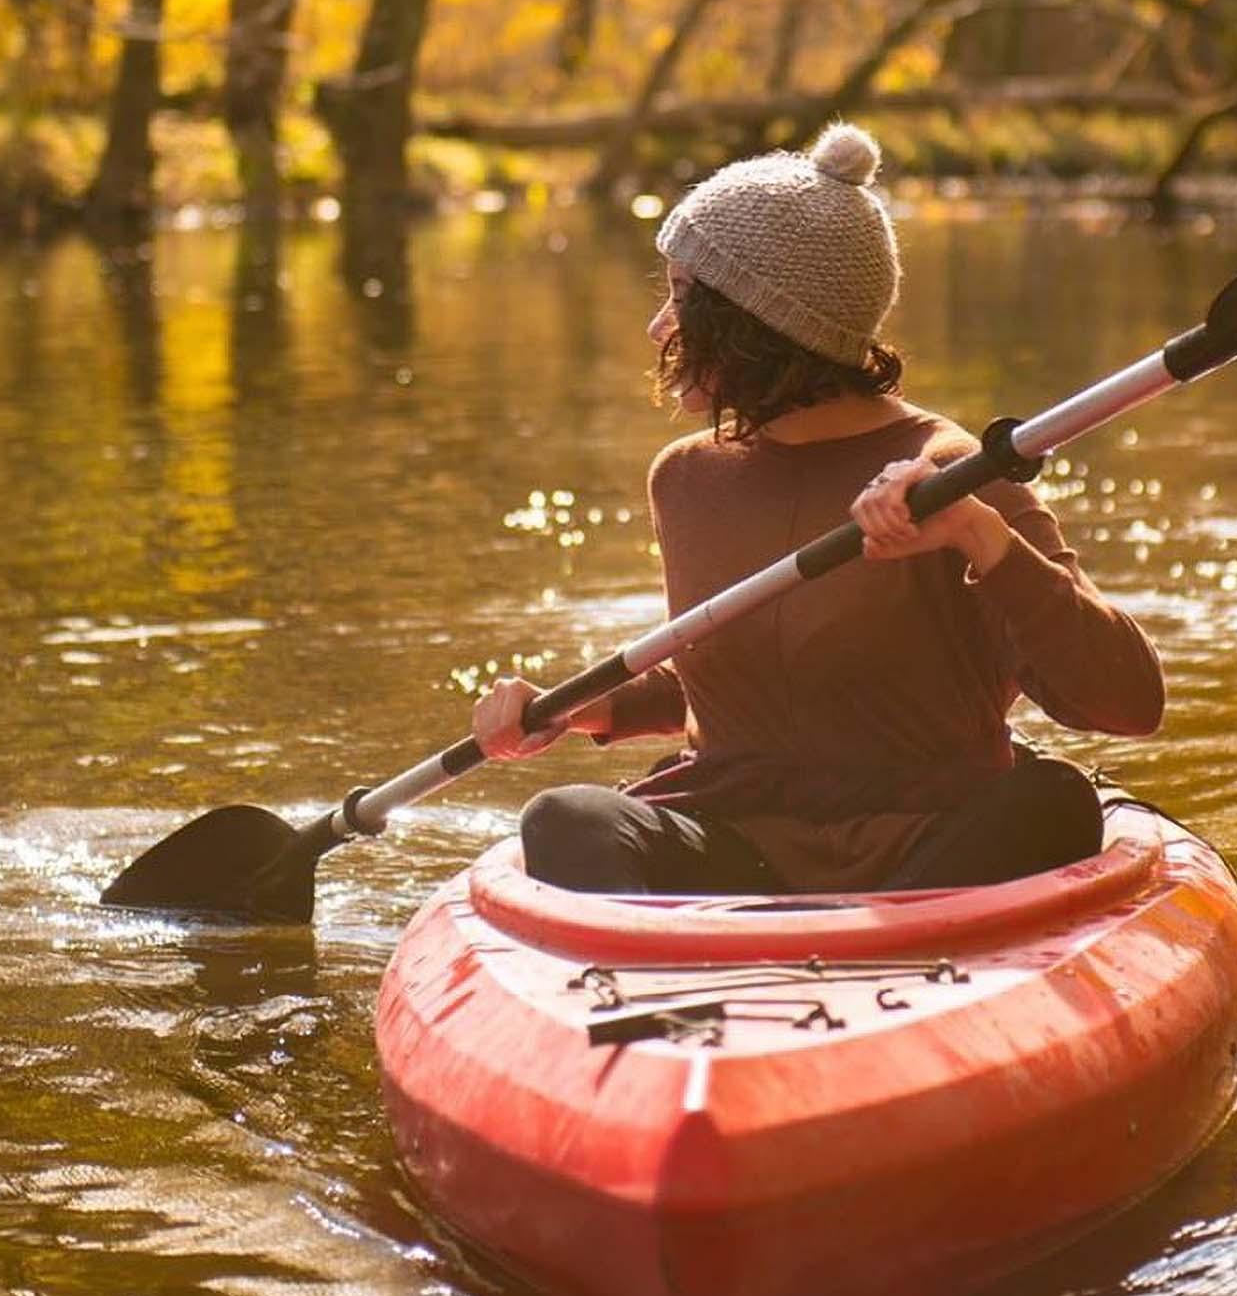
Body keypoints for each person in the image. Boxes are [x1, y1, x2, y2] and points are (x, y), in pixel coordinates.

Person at [471, 122, 1165, 896]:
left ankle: (894, 949)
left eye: (677, 299)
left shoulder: (953, 476)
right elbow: (741, 683)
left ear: (758, 323)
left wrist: (981, 536)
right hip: (734, 850)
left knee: (1054, 801)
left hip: (930, 847)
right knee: (563, 819)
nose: (657, 329)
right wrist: (578, 709)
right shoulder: (687, 480)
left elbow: (1128, 701)